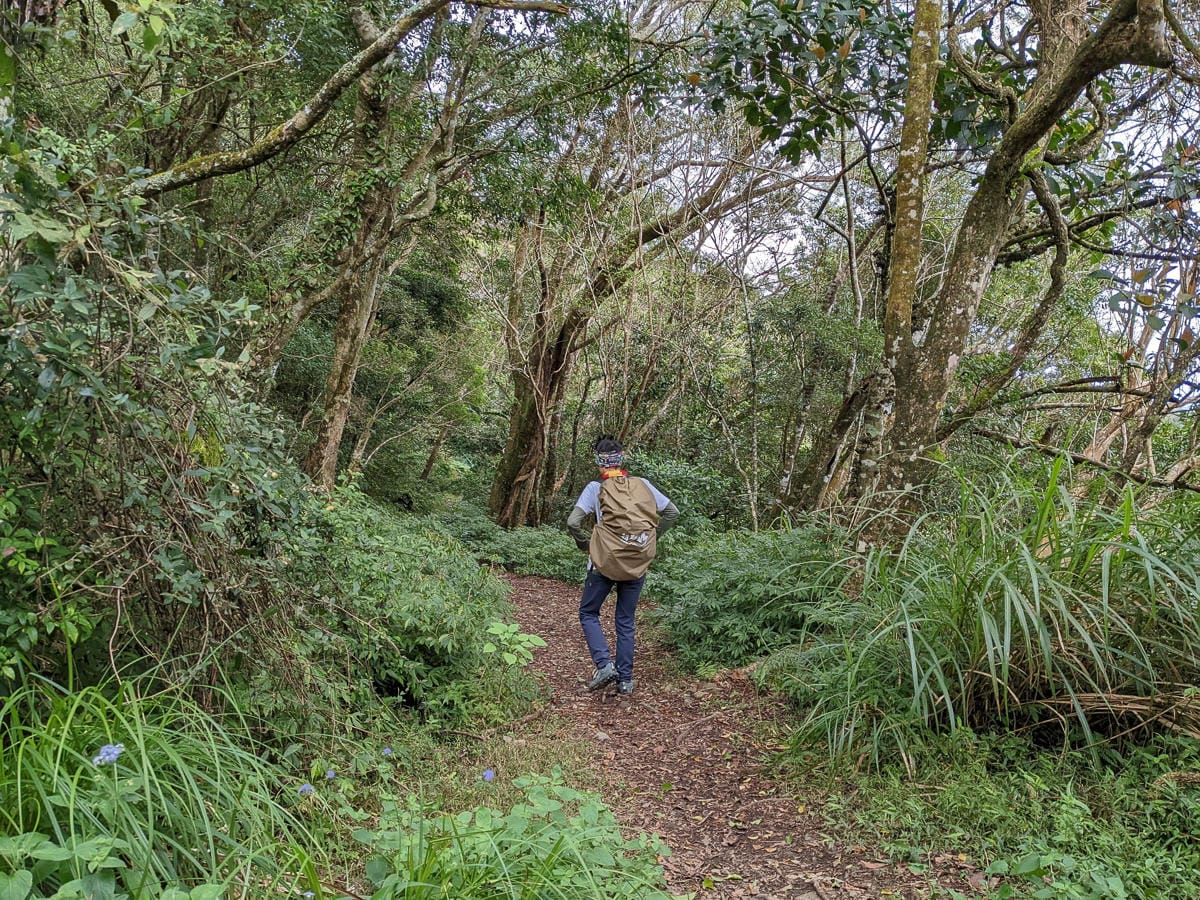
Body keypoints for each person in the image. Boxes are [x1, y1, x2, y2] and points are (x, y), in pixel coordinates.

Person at [566, 437, 679, 695]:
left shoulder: (595, 488)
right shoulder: (643, 485)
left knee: (588, 613)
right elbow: (673, 512)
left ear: (599, 462)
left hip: (603, 563)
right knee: (625, 620)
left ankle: (604, 665)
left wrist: (586, 544)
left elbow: (573, 522)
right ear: (623, 457)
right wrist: (651, 537)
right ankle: (625, 680)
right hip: (637, 560)